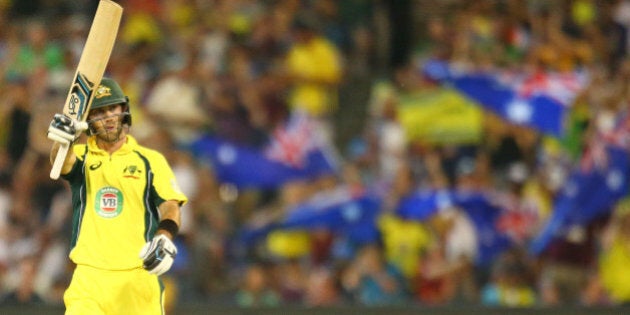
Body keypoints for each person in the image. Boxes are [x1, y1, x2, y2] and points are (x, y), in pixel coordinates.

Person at [46, 77, 188, 314]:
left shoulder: (150, 160)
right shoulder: (82, 155)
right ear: (89, 119)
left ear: (124, 109)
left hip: (137, 277)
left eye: (112, 108)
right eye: (99, 112)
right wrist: (62, 141)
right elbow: (61, 163)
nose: (108, 117)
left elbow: (170, 206)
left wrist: (164, 237)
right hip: (89, 278)